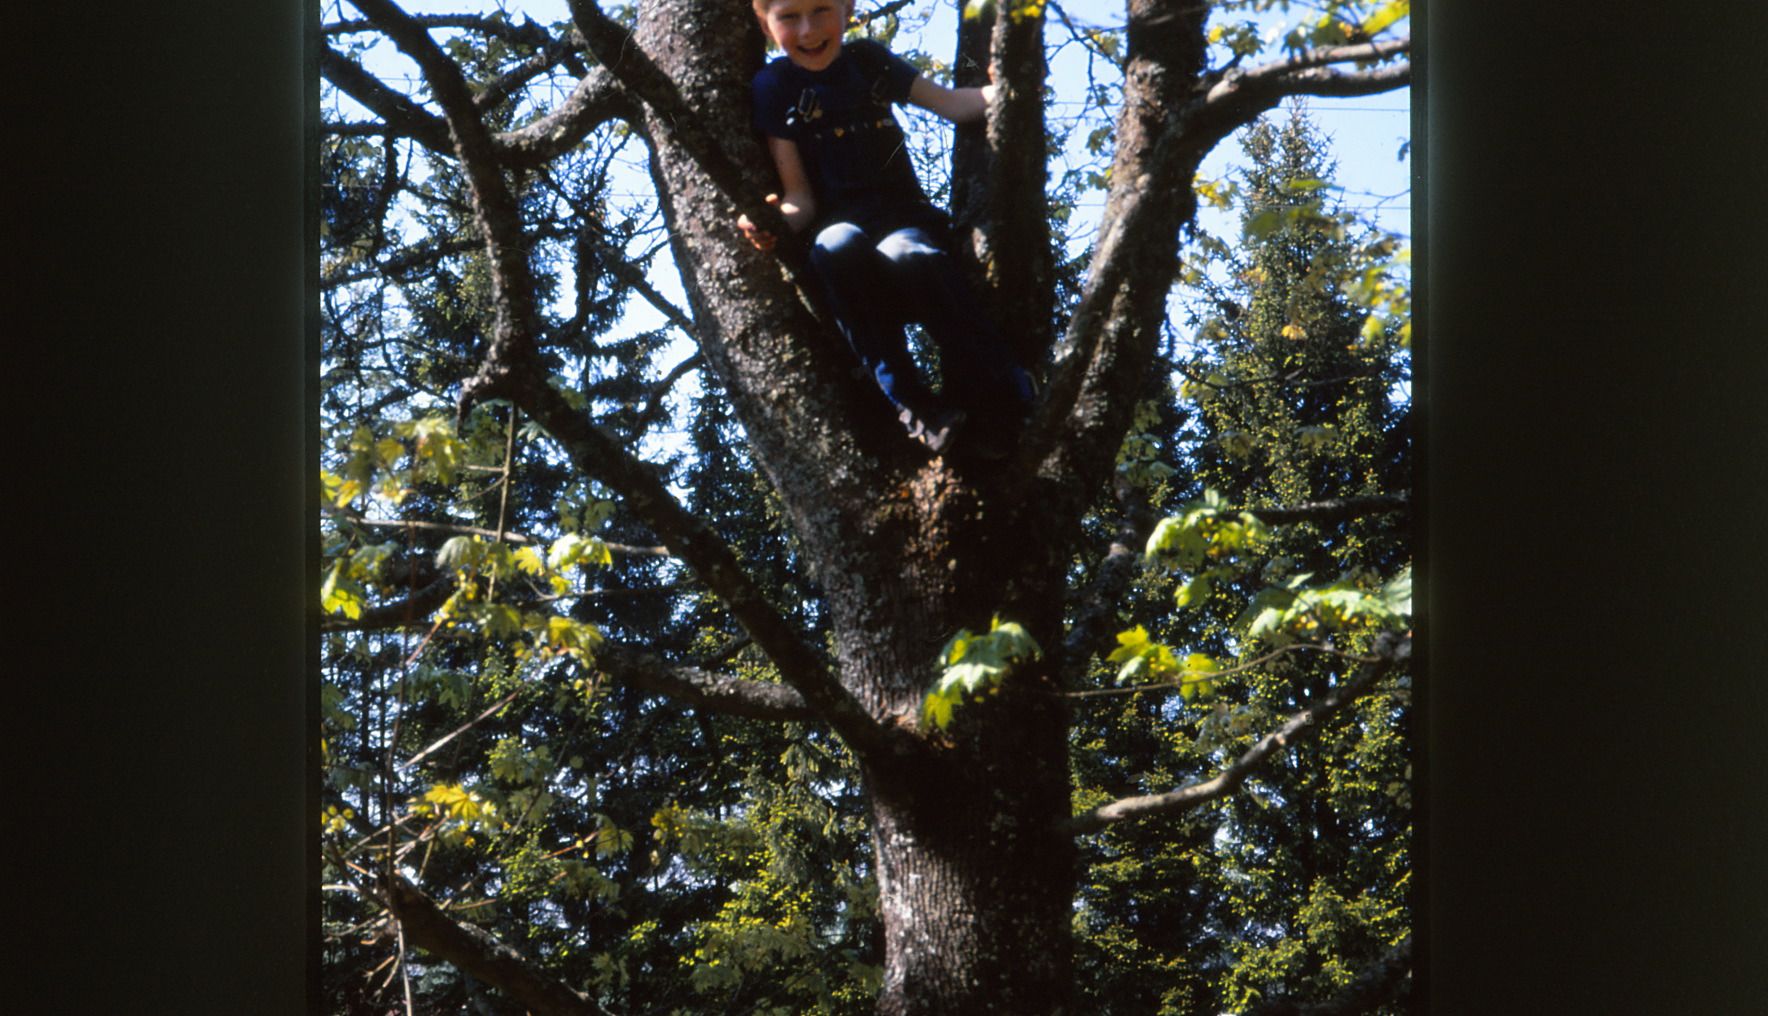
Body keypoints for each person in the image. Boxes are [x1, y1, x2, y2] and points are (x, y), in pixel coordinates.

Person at [738, 0, 1034, 456]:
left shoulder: (867, 61)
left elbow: (953, 104)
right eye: (789, 17)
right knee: (837, 244)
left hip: (902, 223)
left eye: (821, 10)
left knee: (909, 254)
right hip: (842, 242)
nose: (808, 29)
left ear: (848, 9)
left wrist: (1008, 90)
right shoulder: (774, 85)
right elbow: (800, 199)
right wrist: (769, 223)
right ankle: (915, 406)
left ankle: (1002, 381)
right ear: (765, 24)